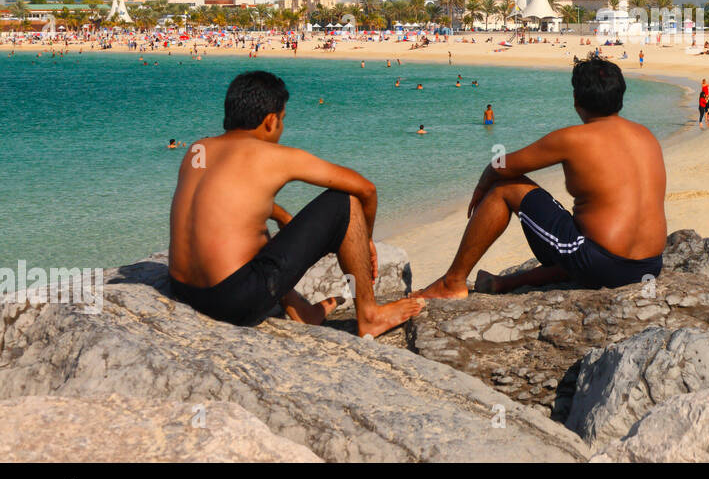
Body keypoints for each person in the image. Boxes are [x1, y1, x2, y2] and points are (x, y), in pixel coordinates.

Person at [168, 71, 424, 336]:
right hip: (234, 302)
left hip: (183, 289)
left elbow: (225, 201)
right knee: (344, 200)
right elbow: (366, 189)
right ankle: (370, 314)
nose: (281, 128)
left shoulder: (197, 149)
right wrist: (365, 239)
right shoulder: (274, 156)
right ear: (270, 122)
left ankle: (301, 309)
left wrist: (279, 214)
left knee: (250, 232)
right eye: (282, 120)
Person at [412, 58, 667, 298]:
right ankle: (506, 283)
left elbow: (500, 165)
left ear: (576, 98)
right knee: (581, 237)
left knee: (506, 187)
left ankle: (452, 282)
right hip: (649, 266)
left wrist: (482, 187)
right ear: (620, 96)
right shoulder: (646, 136)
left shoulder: (573, 138)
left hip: (602, 264)